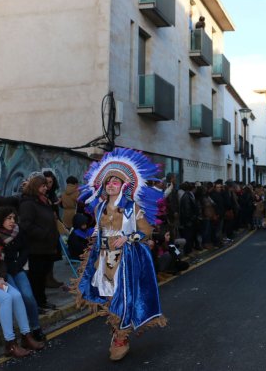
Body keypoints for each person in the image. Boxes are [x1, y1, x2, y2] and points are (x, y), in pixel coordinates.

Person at [75, 148, 166, 361]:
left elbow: (147, 230)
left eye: (115, 182)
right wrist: (96, 235)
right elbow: (98, 230)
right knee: (107, 297)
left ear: (124, 185)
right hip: (102, 258)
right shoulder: (99, 208)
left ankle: (120, 337)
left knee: (122, 298)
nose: (110, 185)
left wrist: (128, 238)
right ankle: (117, 330)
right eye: (108, 182)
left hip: (124, 260)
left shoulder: (131, 208)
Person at [0, 206, 44, 358]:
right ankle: (10, 344)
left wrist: (0, 277)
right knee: (6, 298)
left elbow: (0, 261)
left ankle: (26, 336)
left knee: (17, 296)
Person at [18, 173, 59, 311]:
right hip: (36, 248)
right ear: (35, 187)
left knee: (42, 277)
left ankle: (42, 301)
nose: (45, 188)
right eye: (42, 186)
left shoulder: (44, 200)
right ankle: (34, 304)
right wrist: (42, 233)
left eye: (46, 186)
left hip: (47, 246)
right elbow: (26, 225)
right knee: (35, 278)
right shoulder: (28, 203)